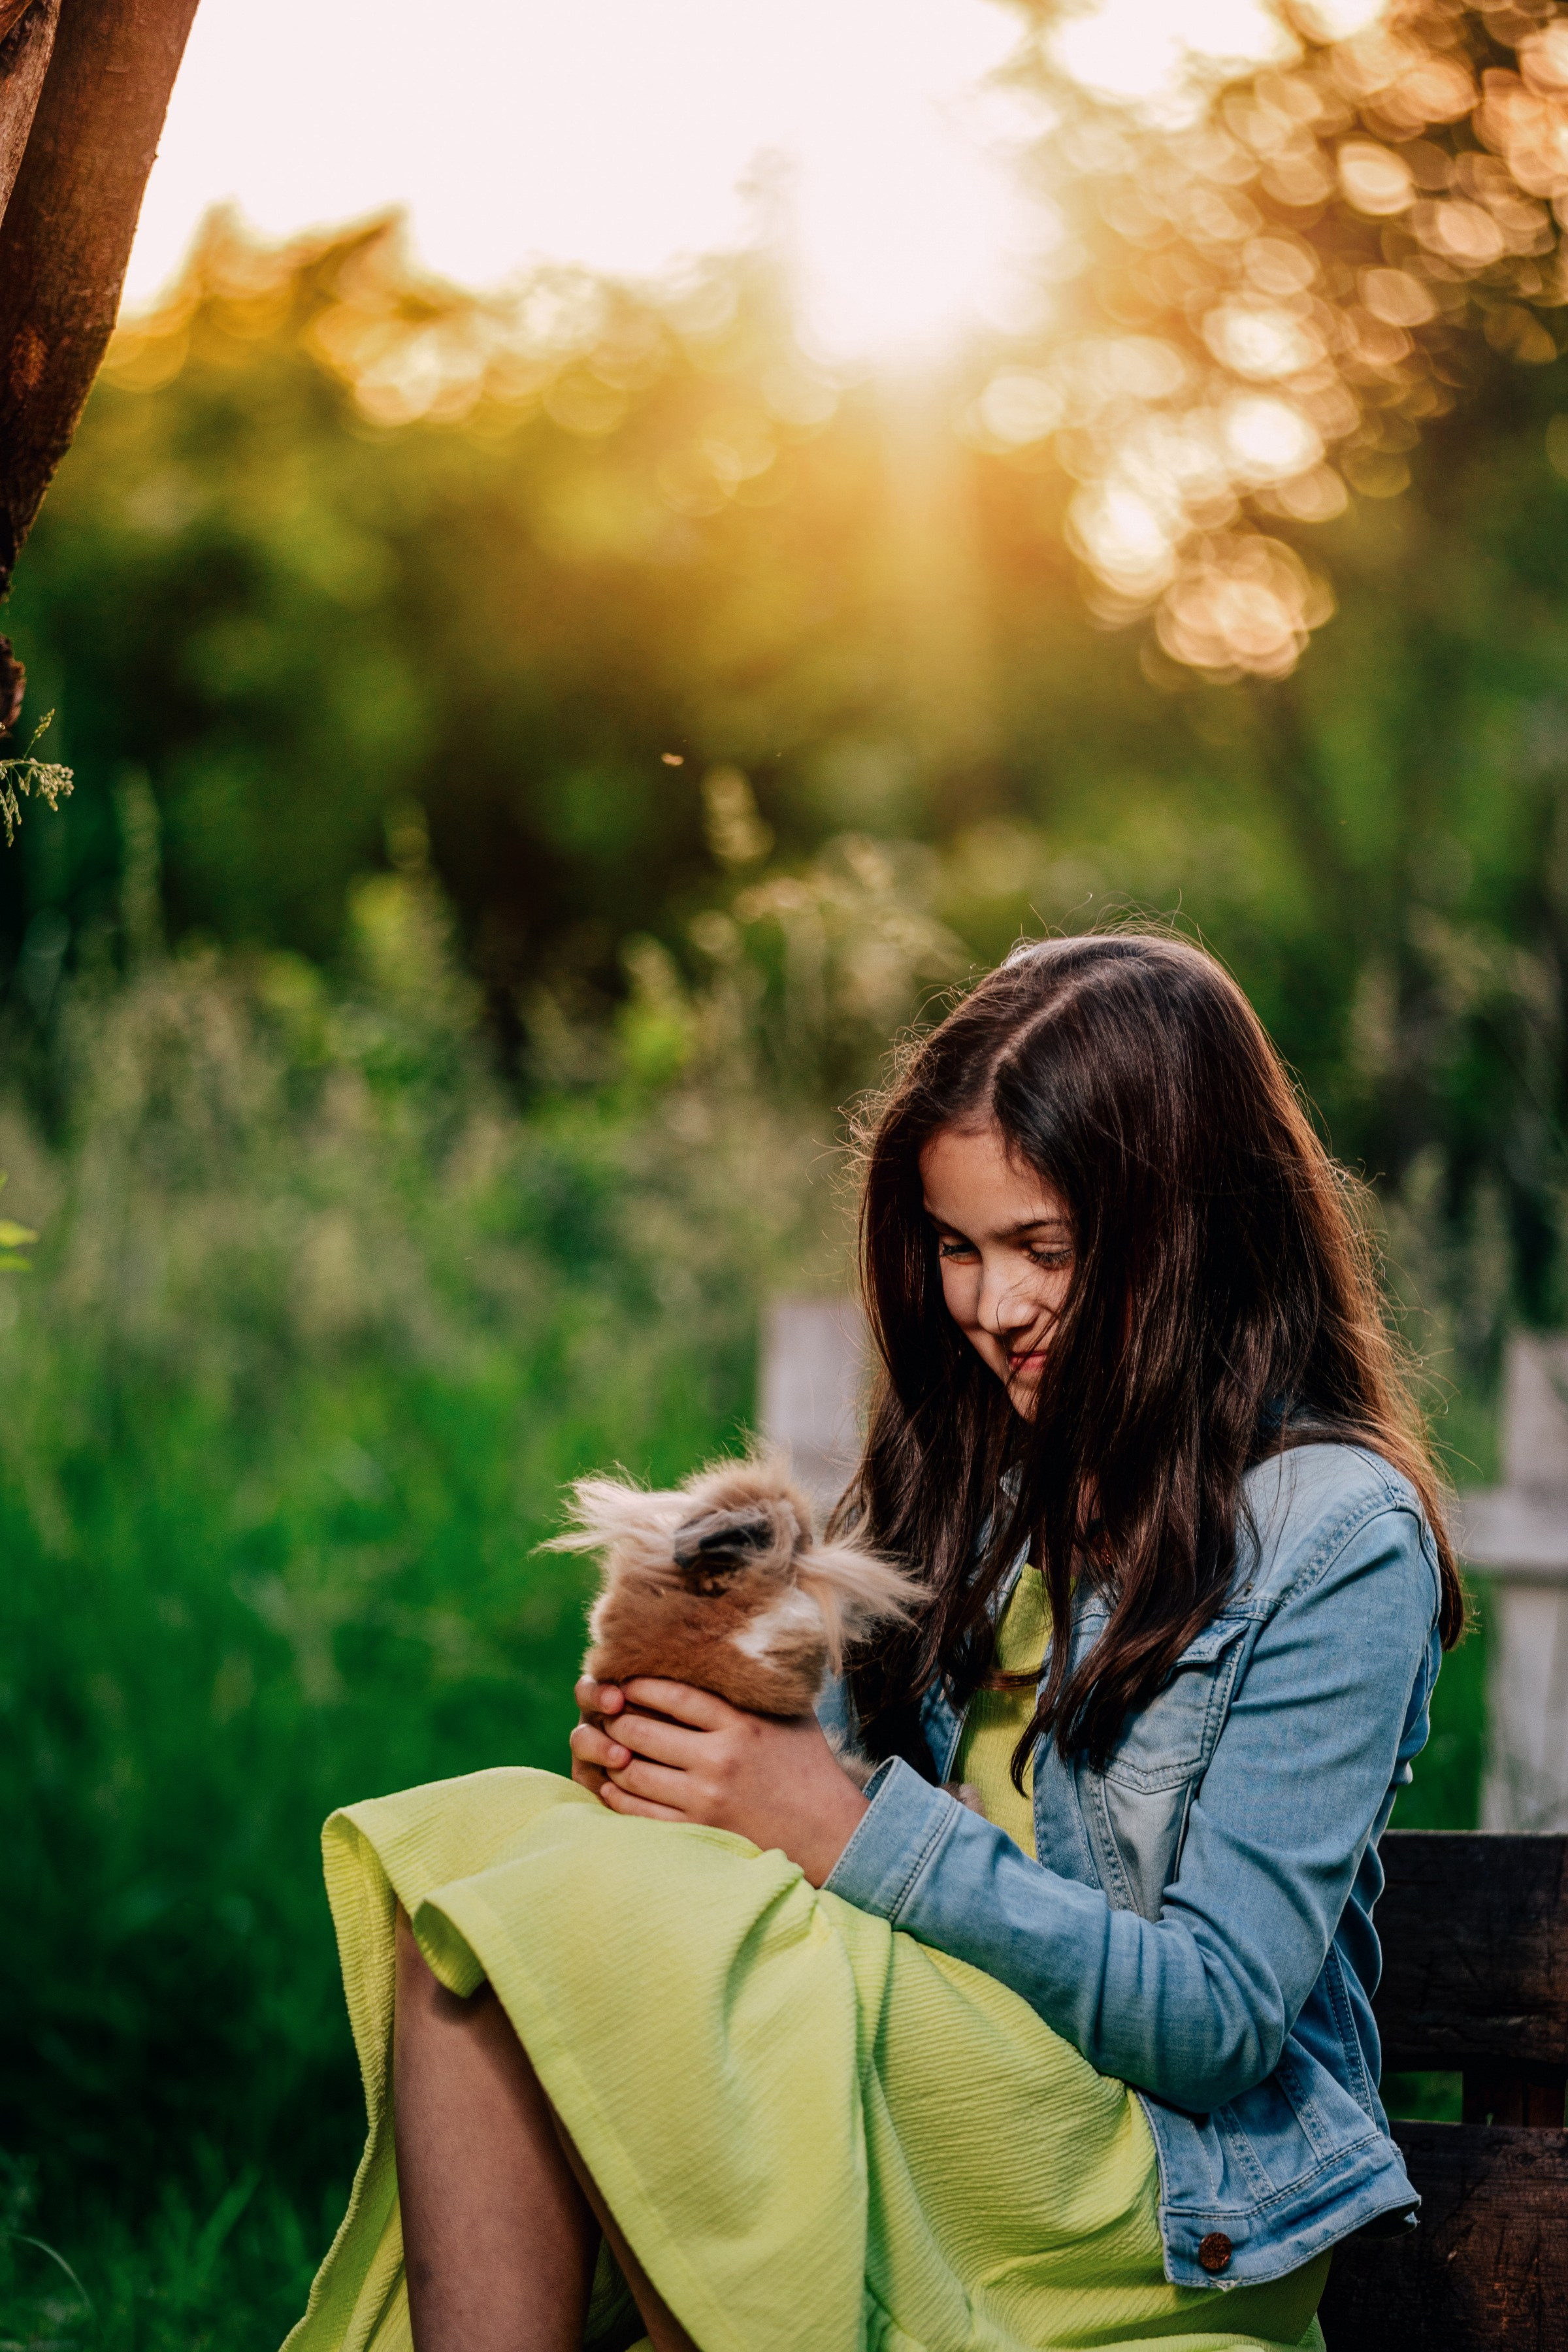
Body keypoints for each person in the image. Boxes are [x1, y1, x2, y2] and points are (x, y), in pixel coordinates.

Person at [283, 932, 1462, 2352]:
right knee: (485, 1880)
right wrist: (686, 1758)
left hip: (1142, 2187)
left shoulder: (1338, 1538)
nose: (992, 1308)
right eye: (957, 1250)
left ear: (1194, 1231)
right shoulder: (977, 1481)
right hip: (923, 2088)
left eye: (1046, 1248)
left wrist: (840, 1829)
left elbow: (1215, 2021)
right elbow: (802, 1813)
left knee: (632, 1944)